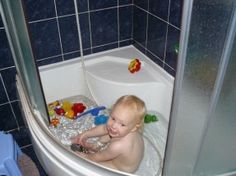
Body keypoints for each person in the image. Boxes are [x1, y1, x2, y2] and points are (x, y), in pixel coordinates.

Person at [71, 95, 146, 173]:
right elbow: (104, 128)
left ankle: (94, 148)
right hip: (125, 156)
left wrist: (86, 157)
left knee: (92, 166)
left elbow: (99, 157)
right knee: (110, 134)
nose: (114, 125)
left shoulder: (118, 145)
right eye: (113, 118)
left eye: (122, 124)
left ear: (134, 128)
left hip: (121, 169)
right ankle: (96, 146)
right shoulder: (129, 127)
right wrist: (85, 134)